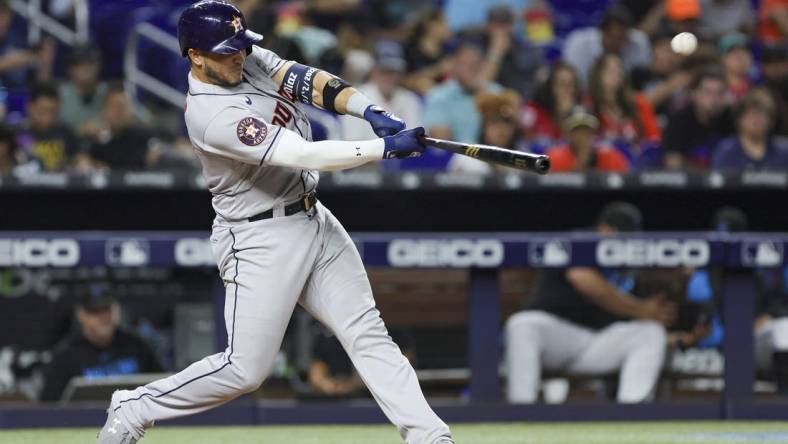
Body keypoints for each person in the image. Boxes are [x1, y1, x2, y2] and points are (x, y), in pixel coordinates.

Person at [97, 2, 453, 444]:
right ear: (196, 56)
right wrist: (381, 149)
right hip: (258, 235)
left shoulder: (245, 60)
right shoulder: (211, 113)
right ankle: (135, 407)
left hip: (311, 215)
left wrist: (367, 110)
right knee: (244, 370)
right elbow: (300, 154)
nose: (238, 56)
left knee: (367, 331)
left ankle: (430, 436)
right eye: (226, 51)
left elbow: (309, 81)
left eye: (240, 47)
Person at [505, 202, 675, 404]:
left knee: (650, 332)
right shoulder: (581, 239)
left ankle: (631, 415)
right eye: (622, 236)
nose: (626, 244)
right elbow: (582, 278)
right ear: (604, 229)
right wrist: (641, 310)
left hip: (598, 342)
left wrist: (660, 320)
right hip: (556, 337)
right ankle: (522, 411)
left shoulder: (631, 261)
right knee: (523, 324)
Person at [39, 285, 162, 402]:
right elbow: (49, 406)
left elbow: (162, 386)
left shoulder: (137, 345)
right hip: (87, 421)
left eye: (107, 310)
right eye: (95, 312)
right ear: (81, 315)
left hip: (136, 418)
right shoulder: (65, 356)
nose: (103, 317)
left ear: (116, 311)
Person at [341, 41, 423, 141]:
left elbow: (415, 141)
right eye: (384, 71)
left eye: (393, 72)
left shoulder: (410, 100)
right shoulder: (355, 98)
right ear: (373, 71)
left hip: (401, 156)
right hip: (365, 155)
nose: (389, 77)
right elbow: (352, 142)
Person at [423, 40, 502, 144]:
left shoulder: (497, 94)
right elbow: (440, 139)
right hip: (455, 156)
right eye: (465, 64)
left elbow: (503, 136)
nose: (472, 68)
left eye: (476, 63)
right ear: (454, 65)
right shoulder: (438, 95)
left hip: (490, 155)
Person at [662, 67, 734, 169]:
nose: (714, 99)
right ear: (694, 94)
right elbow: (672, 162)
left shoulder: (732, 119)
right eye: (708, 93)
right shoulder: (678, 120)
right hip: (689, 182)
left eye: (720, 93)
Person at [563, 5, 651, 87]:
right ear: (602, 32)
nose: (619, 43)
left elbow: (643, 82)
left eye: (623, 38)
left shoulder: (638, 43)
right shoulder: (579, 44)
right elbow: (572, 83)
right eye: (615, 38)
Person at [586, 53, 661, 148]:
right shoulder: (589, 104)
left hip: (636, 159)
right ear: (598, 75)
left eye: (618, 69)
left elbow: (654, 139)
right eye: (610, 70)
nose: (616, 73)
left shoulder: (638, 102)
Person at [87, 83, 162, 171]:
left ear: (130, 110)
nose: (118, 112)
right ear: (104, 111)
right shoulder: (98, 143)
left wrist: (157, 151)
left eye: (122, 106)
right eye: (113, 106)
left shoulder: (144, 135)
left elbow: (164, 141)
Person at [712, 88, 788, 170]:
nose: (756, 119)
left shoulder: (783, 151)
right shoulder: (726, 150)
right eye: (751, 114)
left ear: (771, 121)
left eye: (763, 115)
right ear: (739, 119)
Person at [15, 82, 83, 172]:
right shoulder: (17, 133)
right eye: (43, 110)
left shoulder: (66, 132)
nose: (48, 116)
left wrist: (82, 162)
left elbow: (79, 157)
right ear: (30, 107)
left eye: (53, 111)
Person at [545, 108, 629, 172]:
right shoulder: (555, 158)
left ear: (594, 133)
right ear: (568, 134)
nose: (582, 136)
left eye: (587, 130)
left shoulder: (610, 157)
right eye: (577, 130)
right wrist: (580, 164)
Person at [521, 62, 581, 143]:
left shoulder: (581, 114)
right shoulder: (533, 112)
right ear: (551, 87)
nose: (567, 90)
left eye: (571, 84)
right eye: (562, 84)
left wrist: (565, 115)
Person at [58, 45, 109, 139]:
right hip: (69, 148)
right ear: (70, 69)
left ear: (98, 66)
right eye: (79, 64)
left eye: (90, 63)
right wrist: (79, 130)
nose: (85, 68)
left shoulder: (109, 92)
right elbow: (46, 128)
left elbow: (138, 118)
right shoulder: (58, 94)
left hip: (105, 147)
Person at [402, 9, 452, 95]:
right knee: (423, 83)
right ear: (429, 26)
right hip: (412, 94)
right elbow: (403, 80)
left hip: (442, 94)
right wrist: (437, 70)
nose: (447, 27)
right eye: (442, 23)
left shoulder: (449, 50)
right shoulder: (409, 50)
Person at [719, 33, 756, 103]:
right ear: (722, 59)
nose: (740, 56)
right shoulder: (714, 89)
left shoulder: (759, 87)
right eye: (733, 52)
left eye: (745, 51)